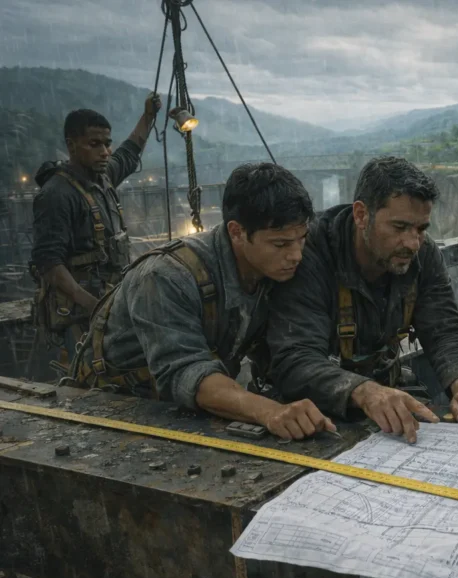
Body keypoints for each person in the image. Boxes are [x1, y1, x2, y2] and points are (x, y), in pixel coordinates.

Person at [69, 163, 335, 441]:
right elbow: (185, 372)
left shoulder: (271, 270)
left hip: (184, 411)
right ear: (236, 232)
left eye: (301, 240)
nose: (296, 256)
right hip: (114, 411)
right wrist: (269, 411)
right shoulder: (165, 276)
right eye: (280, 244)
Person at [266, 156, 458, 444]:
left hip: (386, 400)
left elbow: (443, 327)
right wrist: (365, 392)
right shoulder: (313, 254)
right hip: (311, 412)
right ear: (361, 215)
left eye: (420, 229)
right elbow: (294, 358)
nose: (412, 243)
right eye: (399, 227)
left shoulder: (423, 253)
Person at [30, 96, 162, 367]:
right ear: (72, 145)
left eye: (106, 143)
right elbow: (49, 263)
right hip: (79, 314)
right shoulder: (57, 194)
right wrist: (92, 305)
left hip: (110, 301)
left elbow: (130, 150)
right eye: (94, 144)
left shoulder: (103, 178)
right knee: (88, 375)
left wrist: (148, 116)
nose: (105, 151)